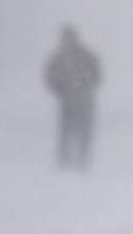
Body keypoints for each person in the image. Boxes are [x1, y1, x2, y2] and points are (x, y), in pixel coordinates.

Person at [43, 25, 102, 171]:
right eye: (65, 39)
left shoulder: (86, 56)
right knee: (65, 132)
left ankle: (83, 162)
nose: (67, 41)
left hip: (84, 101)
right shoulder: (58, 58)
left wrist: (86, 87)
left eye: (70, 38)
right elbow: (49, 76)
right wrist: (59, 89)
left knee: (84, 132)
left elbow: (97, 74)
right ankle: (63, 163)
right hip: (67, 102)